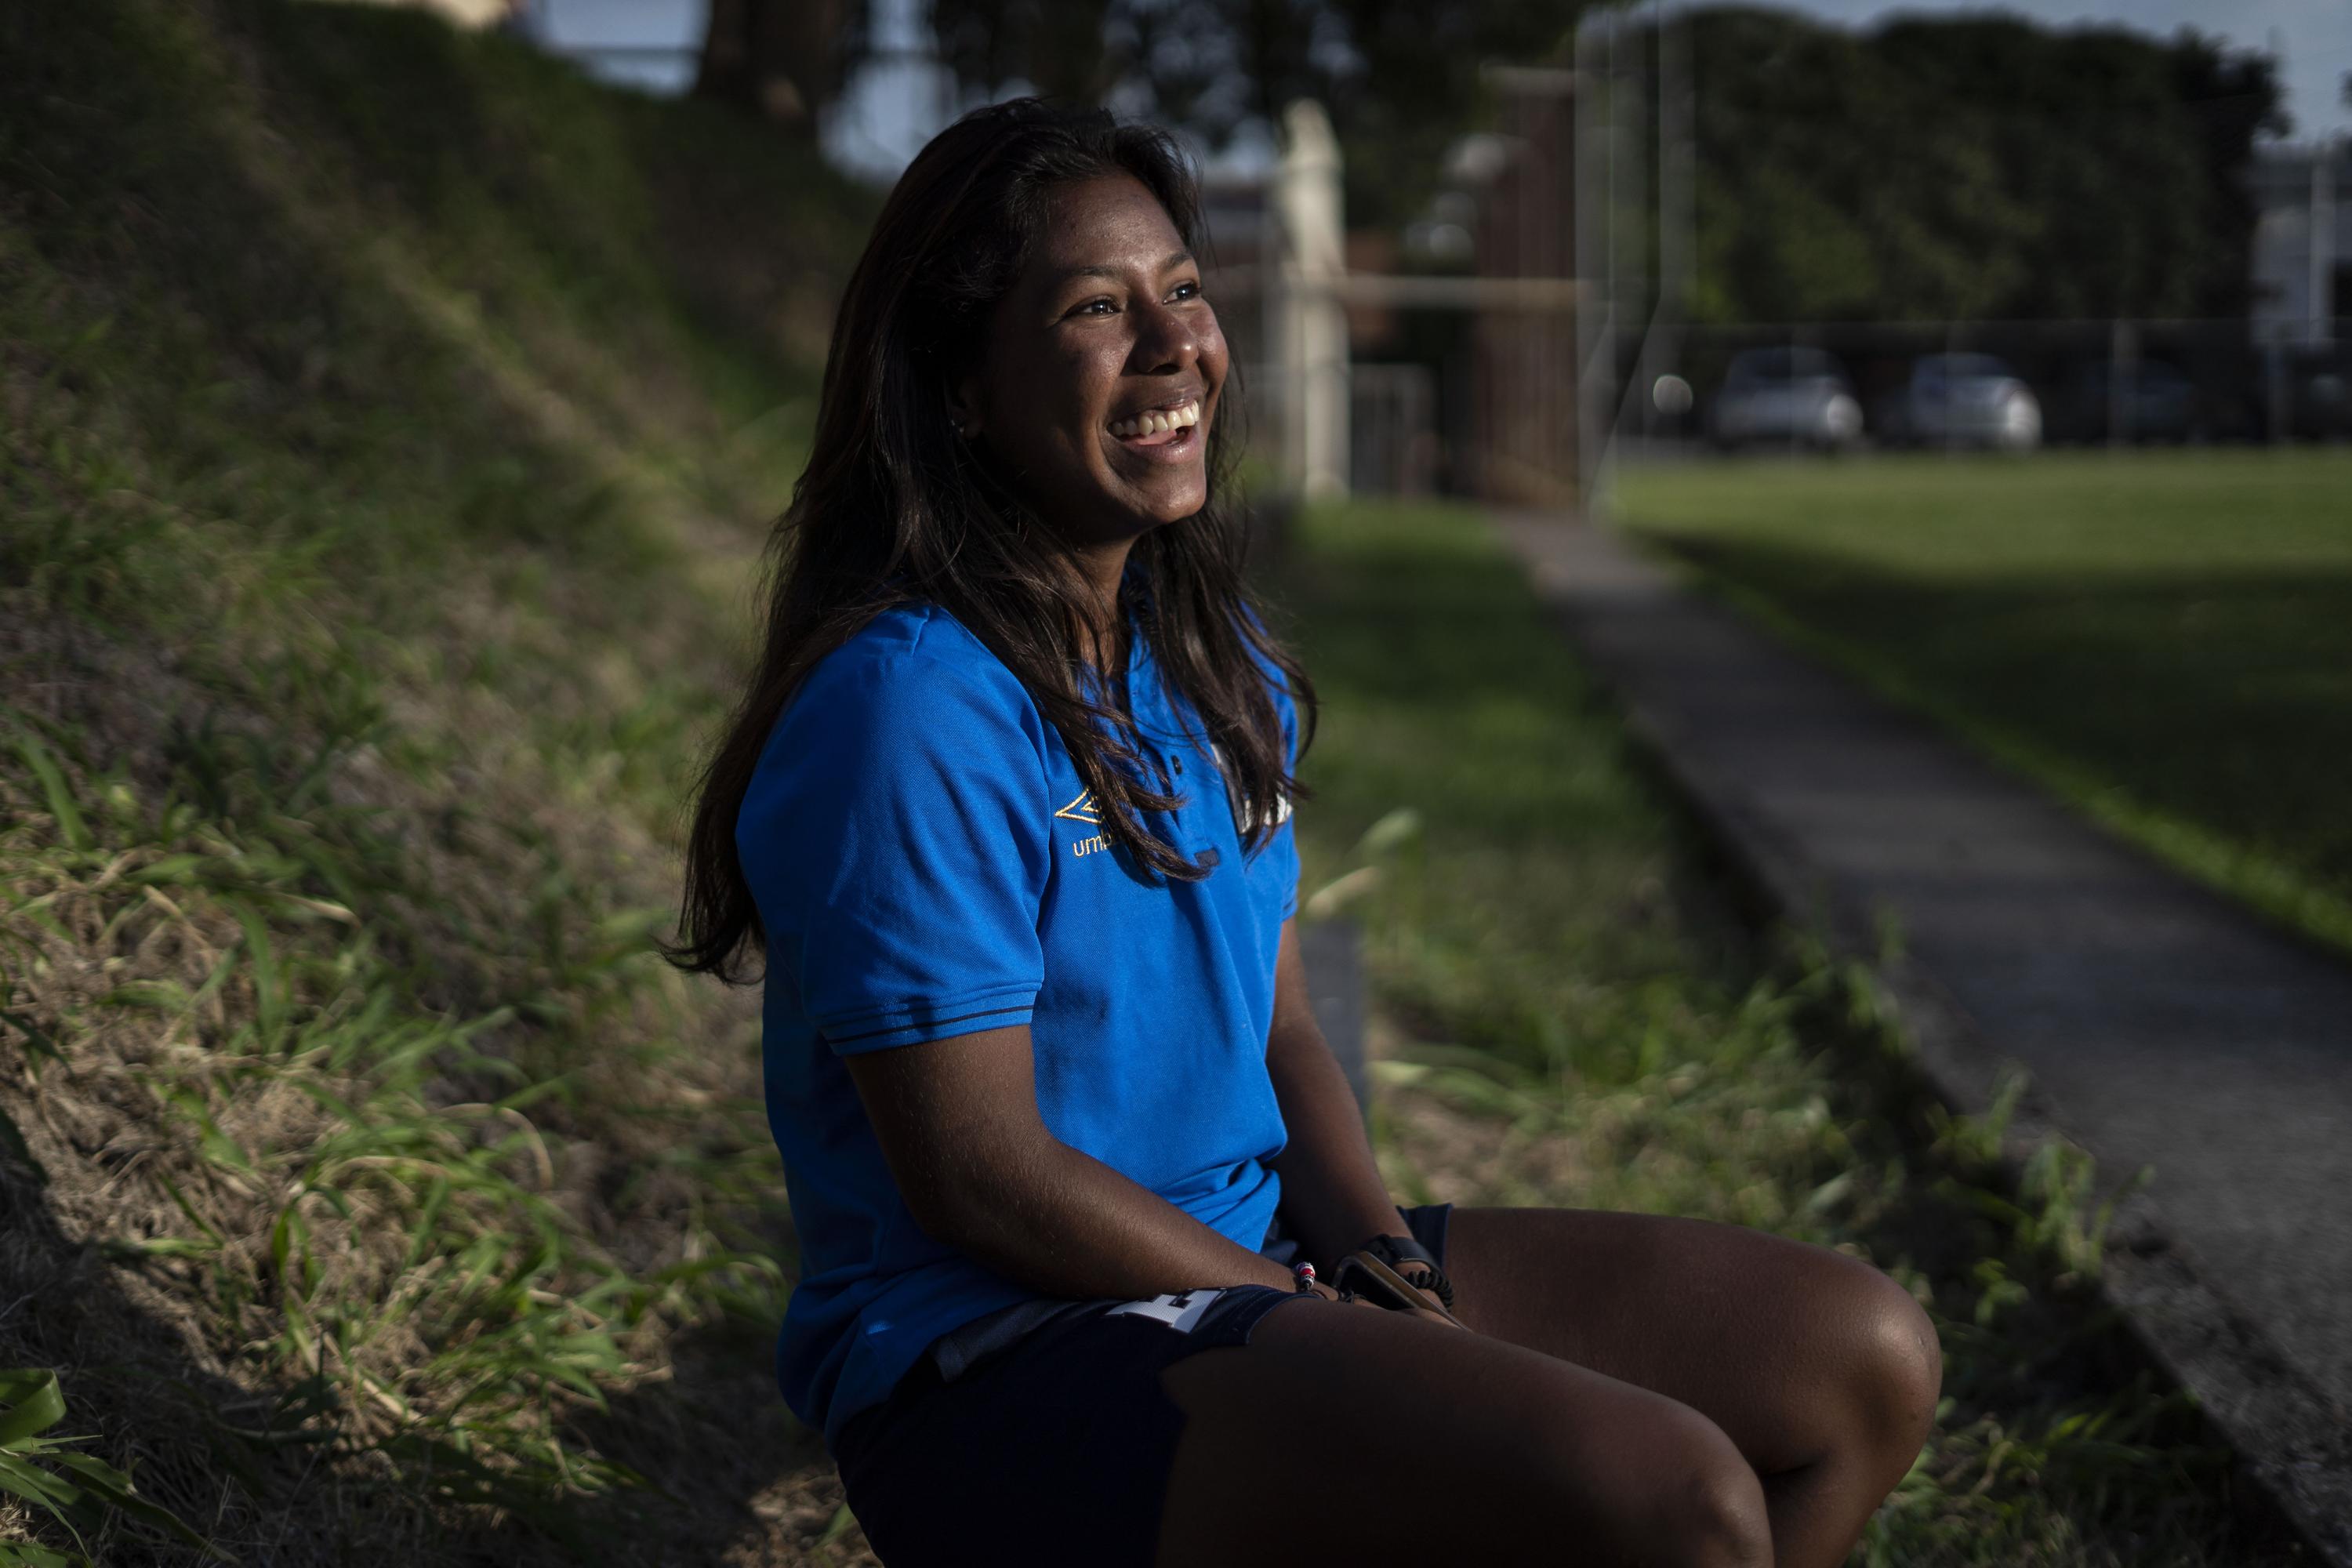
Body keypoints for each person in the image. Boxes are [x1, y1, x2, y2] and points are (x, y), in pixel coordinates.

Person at [668, 97, 1940, 1568]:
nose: (1174, 347)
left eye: (1185, 292)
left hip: (1249, 1257)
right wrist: (1289, 1310)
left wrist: (1380, 1251)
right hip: (1004, 1359)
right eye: (1096, 307)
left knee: (1861, 1359)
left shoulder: (1206, 656)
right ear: (962, 385)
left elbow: (1278, 1031)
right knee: (1674, 1496)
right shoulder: (908, 708)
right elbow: (986, 1177)